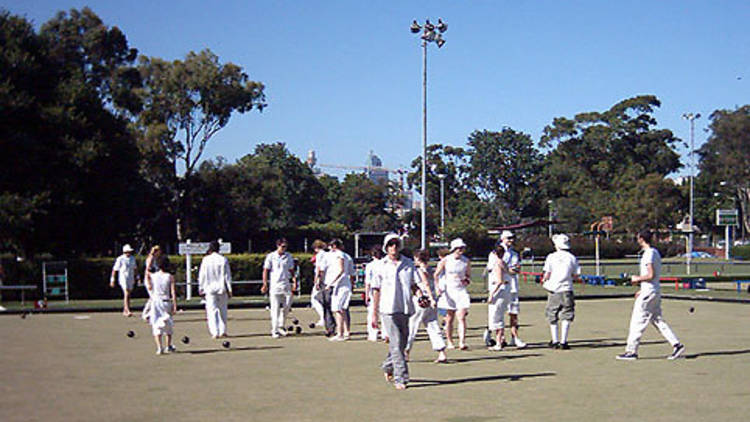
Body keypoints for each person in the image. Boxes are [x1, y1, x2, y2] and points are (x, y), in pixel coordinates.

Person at [617, 230, 686, 360]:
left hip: (649, 293)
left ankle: (631, 351)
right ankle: (677, 345)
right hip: (652, 290)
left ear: (641, 239)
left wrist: (636, 279)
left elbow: (650, 275)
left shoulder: (649, 254)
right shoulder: (654, 253)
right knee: (658, 320)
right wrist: (641, 289)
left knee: (637, 322)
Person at [371, 233, 424, 390]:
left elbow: (414, 285)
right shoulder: (381, 265)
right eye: (390, 245)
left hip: (405, 307)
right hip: (388, 309)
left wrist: (421, 296)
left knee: (402, 343)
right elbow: (376, 289)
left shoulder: (408, 263)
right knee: (395, 343)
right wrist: (374, 312)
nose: (393, 248)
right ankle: (401, 377)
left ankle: (388, 366)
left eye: (396, 244)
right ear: (386, 247)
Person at [405, 249, 447, 363]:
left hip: (422, 300)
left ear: (418, 259)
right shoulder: (432, 270)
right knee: (432, 324)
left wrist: (430, 298)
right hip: (431, 301)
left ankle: (406, 352)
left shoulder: (420, 271)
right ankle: (441, 352)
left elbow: (426, 284)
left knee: (412, 325)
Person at [541, 234, 581, 350]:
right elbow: (575, 275)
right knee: (567, 314)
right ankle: (563, 341)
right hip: (567, 289)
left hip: (554, 289)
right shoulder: (572, 258)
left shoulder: (551, 257)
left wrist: (544, 279)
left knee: (552, 314)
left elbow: (547, 274)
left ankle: (555, 340)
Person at [435, 238, 472, 350]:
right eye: (459, 248)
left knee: (461, 317)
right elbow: (436, 274)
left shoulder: (466, 261)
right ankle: (450, 341)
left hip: (460, 291)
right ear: (454, 249)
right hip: (448, 291)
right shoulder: (446, 260)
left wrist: (466, 280)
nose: (461, 250)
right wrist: (438, 288)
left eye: (462, 248)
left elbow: (468, 276)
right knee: (449, 318)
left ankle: (462, 342)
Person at [262, 238, 297, 338]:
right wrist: (265, 284)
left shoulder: (289, 256)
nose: (284, 248)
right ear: (278, 246)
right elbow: (265, 270)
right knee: (275, 309)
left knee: (287, 306)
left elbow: (291, 270)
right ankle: (274, 330)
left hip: (286, 285)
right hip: (275, 286)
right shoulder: (271, 256)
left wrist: (294, 282)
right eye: (282, 247)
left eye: (285, 247)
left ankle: (281, 325)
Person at [198, 240, 232, 339]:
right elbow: (227, 276)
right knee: (223, 311)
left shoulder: (206, 260)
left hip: (209, 288)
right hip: (221, 288)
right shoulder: (223, 259)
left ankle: (215, 332)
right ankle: (223, 331)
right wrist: (229, 289)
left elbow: (202, 275)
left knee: (211, 311)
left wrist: (201, 287)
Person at [321, 238, 352, 341]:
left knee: (338, 309)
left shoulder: (340, 255)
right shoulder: (346, 256)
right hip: (343, 285)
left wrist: (330, 283)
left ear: (334, 246)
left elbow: (341, 270)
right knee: (342, 309)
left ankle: (340, 334)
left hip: (341, 285)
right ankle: (346, 332)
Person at [146, 254, 177, 355]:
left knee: (156, 325)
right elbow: (173, 292)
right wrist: (175, 305)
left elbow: (147, 270)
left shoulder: (154, 276)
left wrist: (151, 254)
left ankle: (160, 347)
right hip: (166, 302)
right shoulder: (169, 276)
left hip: (156, 303)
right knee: (168, 325)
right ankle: (168, 346)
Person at [500, 231, 526, 348]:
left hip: (513, 287)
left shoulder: (514, 254)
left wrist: (515, 269)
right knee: (499, 314)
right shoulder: (497, 253)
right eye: (508, 238)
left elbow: (516, 268)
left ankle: (514, 337)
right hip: (501, 287)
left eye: (512, 238)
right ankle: (498, 337)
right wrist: (507, 270)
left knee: (513, 314)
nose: (511, 240)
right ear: (502, 239)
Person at [487, 238, 512, 351]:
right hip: (504, 290)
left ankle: (498, 342)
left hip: (499, 291)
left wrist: (491, 295)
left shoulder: (498, 264)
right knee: (498, 316)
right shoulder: (503, 263)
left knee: (497, 317)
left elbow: (499, 281)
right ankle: (499, 340)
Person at [110, 244, 138, 317]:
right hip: (123, 278)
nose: (129, 253)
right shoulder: (120, 259)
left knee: (128, 294)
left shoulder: (132, 258)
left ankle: (125, 309)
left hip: (130, 277)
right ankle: (127, 309)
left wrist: (137, 277)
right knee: (126, 293)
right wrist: (112, 279)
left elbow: (135, 268)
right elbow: (115, 270)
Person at [365, 246, 384, 341]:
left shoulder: (370, 266)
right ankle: (385, 333)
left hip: (375, 289)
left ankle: (373, 333)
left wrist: (367, 294)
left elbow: (367, 282)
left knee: (372, 311)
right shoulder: (385, 263)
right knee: (384, 312)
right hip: (385, 290)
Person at [141, 245, 162, 322]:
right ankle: (147, 314)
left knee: (152, 298)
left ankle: (146, 313)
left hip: (154, 280)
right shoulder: (151, 259)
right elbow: (147, 271)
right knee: (154, 298)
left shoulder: (156, 259)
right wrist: (149, 282)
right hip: (150, 280)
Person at [310, 240, 327, 328]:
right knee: (322, 299)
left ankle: (323, 317)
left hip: (321, 279)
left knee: (314, 299)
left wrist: (316, 280)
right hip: (326, 279)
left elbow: (319, 268)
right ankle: (323, 318)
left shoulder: (320, 255)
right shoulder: (327, 254)